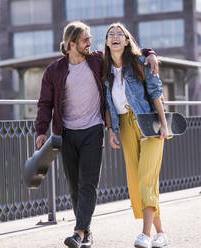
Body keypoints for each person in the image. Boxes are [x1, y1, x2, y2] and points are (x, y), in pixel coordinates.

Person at [35, 21, 159, 248]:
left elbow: (123, 51)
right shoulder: (54, 71)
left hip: (93, 130)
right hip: (67, 132)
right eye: (85, 40)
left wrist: (149, 54)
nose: (90, 43)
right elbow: (44, 103)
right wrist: (41, 130)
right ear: (72, 43)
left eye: (91, 38)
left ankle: (79, 232)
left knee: (88, 184)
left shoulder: (96, 60)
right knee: (74, 185)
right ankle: (86, 231)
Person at [103, 23, 169, 248]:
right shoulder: (106, 73)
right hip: (124, 125)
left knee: (146, 180)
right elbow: (107, 104)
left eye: (119, 34)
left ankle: (145, 235)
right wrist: (111, 130)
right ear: (106, 42)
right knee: (135, 182)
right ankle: (161, 233)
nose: (115, 37)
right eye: (110, 34)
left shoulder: (141, 63)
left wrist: (163, 123)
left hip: (147, 122)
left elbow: (156, 92)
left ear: (127, 41)